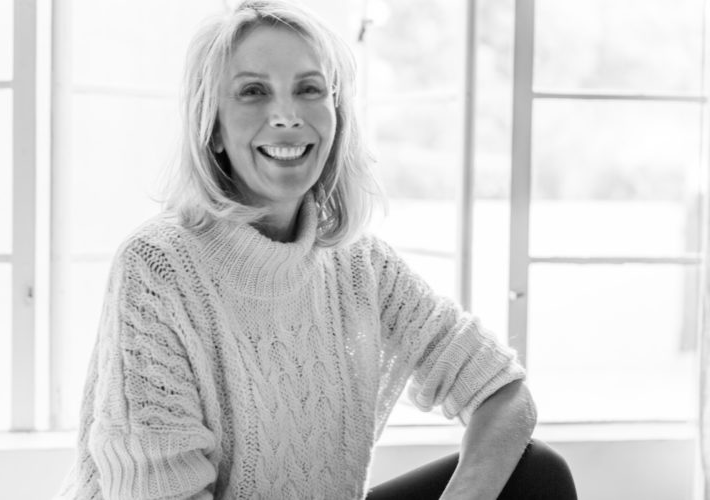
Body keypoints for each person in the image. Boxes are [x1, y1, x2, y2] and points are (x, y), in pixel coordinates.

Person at [55, 1, 577, 498]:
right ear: (212, 127)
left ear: (336, 116)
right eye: (253, 91)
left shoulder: (360, 264)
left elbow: (505, 394)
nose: (286, 115)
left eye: (309, 89)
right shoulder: (156, 268)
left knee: (538, 474)